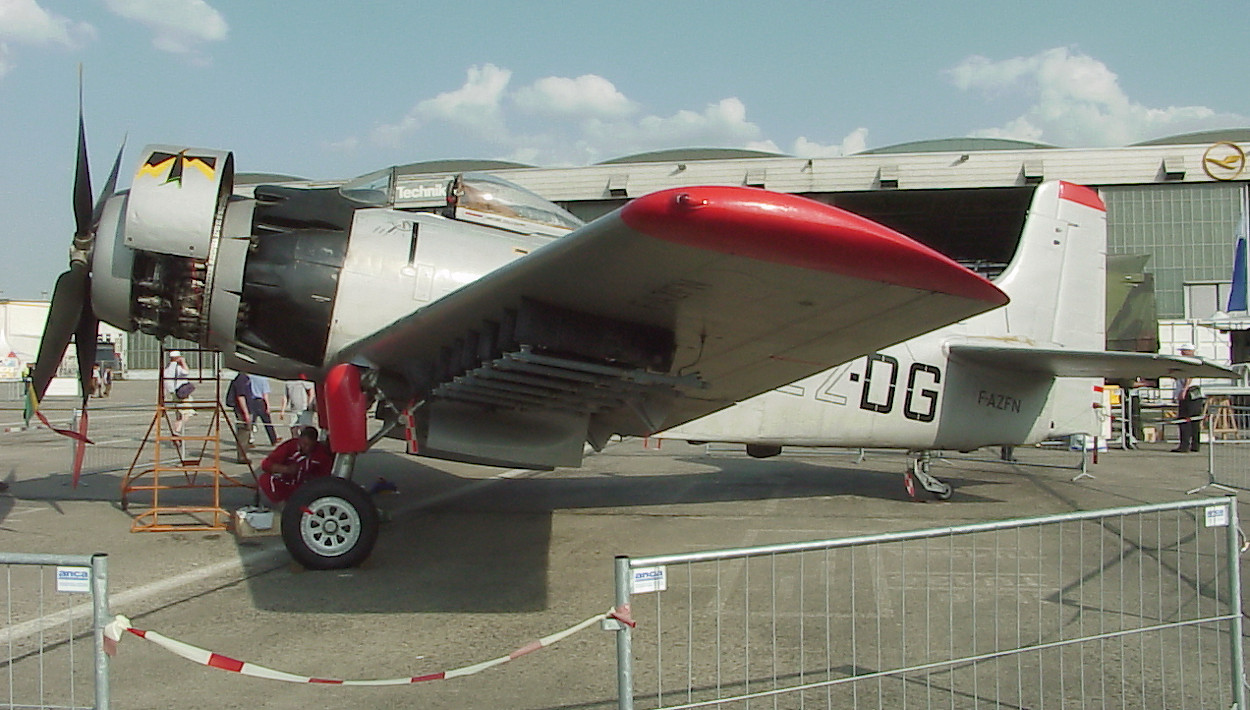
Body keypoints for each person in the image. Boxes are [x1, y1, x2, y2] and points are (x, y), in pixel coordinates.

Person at [258, 426, 333, 505]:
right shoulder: (290, 446)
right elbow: (266, 464)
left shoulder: (320, 453)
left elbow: (326, 474)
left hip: (307, 489)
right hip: (288, 484)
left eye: (309, 446)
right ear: (299, 439)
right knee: (265, 479)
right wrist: (286, 469)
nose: (306, 448)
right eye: (303, 444)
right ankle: (281, 503)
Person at [1172, 343, 1206, 453]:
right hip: (1196, 393)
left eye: (1184, 351)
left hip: (1189, 393)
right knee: (1194, 420)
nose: (1182, 353)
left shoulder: (1189, 363)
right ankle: (1195, 445)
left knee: (1184, 419)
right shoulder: (1196, 362)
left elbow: (1189, 377)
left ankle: (1184, 445)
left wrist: (1184, 390)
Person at [162, 351, 194, 436]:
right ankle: (177, 431)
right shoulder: (178, 368)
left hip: (173, 393)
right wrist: (183, 362)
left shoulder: (167, 369)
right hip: (181, 393)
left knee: (179, 415)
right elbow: (186, 372)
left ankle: (176, 432)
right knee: (187, 413)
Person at [247, 373, 279, 445]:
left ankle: (249, 440)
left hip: (251, 401)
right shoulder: (264, 379)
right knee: (267, 422)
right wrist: (268, 406)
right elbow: (265, 393)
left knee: (251, 422)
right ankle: (273, 439)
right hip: (261, 402)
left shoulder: (250, 377)